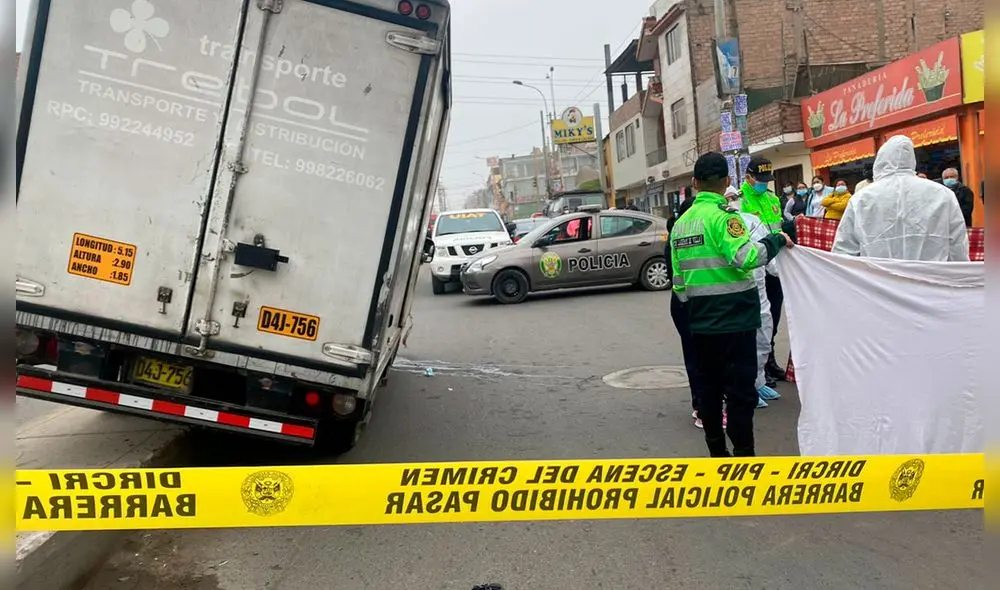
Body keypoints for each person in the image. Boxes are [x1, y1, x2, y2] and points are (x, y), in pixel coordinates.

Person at [670, 152, 792, 457]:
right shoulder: (725, 218)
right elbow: (747, 258)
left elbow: (679, 284)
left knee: (709, 390)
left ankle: (716, 453)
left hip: (700, 321)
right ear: (726, 182)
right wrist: (776, 240)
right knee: (740, 393)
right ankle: (743, 455)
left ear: (695, 183)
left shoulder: (681, 225)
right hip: (736, 320)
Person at [832, 135, 970, 262]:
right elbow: (958, 249)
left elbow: (843, 253)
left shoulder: (861, 198)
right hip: (932, 283)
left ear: (880, 160)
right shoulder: (943, 194)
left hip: (878, 284)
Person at [725, 186, 782, 406]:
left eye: (735, 197)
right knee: (740, 346)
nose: (732, 201)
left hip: (759, 291)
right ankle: (744, 387)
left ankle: (758, 382)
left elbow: (769, 256)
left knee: (763, 337)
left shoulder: (752, 221)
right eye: (728, 198)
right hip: (736, 292)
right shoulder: (720, 223)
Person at [740, 156, 786, 382]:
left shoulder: (771, 198)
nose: (763, 183)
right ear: (747, 177)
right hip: (757, 266)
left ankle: (770, 359)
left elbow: (777, 227)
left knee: (773, 316)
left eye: (766, 180)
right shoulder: (738, 201)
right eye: (759, 179)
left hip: (776, 266)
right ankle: (759, 367)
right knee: (757, 319)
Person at [666, 194, 704, 428]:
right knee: (699, 356)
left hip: (686, 301)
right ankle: (702, 406)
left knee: (698, 355)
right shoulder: (684, 236)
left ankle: (703, 403)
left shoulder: (679, 233)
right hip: (689, 302)